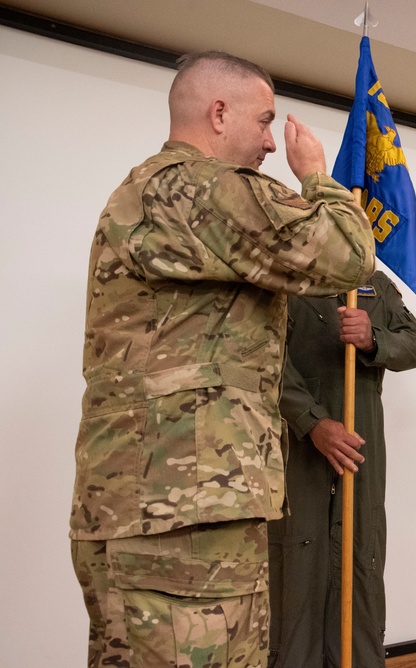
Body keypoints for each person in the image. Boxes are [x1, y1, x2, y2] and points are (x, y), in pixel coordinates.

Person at [69, 51, 376, 668]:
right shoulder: (202, 187)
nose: (269, 142)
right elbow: (348, 253)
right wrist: (318, 176)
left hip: (136, 500)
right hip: (190, 504)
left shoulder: (140, 191)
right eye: (263, 121)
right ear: (218, 112)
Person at [267, 274, 416, 667]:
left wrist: (374, 337)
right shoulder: (282, 279)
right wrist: (313, 422)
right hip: (297, 449)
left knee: (361, 556)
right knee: (296, 559)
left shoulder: (374, 284)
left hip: (361, 447)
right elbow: (261, 357)